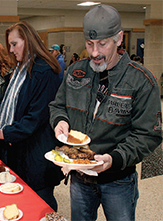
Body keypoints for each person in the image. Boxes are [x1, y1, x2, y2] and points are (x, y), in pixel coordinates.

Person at [49, 5, 162, 221]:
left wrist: (115, 159)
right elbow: (58, 106)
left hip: (118, 180)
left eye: (102, 44)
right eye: (89, 44)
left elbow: (148, 135)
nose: (94, 52)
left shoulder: (141, 81)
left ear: (119, 39)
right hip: (80, 178)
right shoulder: (75, 72)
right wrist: (60, 121)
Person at [0, 21, 65, 211]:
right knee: (23, 202)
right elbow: (13, 99)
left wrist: (4, 133)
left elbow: (36, 117)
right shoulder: (21, 68)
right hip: (20, 149)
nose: (10, 50)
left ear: (28, 41)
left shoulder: (44, 72)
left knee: (41, 204)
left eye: (14, 44)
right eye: (9, 45)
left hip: (37, 151)